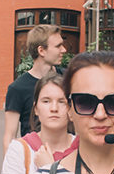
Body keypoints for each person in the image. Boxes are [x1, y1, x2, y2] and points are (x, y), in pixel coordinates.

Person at [0, 74, 76, 174]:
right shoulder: (20, 149)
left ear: (71, 109)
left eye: (62, 102)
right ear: (36, 109)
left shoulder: (83, 149)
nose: (54, 108)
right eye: (46, 101)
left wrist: (49, 169)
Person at [4, 23, 67, 154]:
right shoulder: (18, 88)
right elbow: (10, 135)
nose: (64, 50)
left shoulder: (68, 80)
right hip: (33, 157)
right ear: (41, 50)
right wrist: (10, 164)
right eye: (58, 46)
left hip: (66, 156)